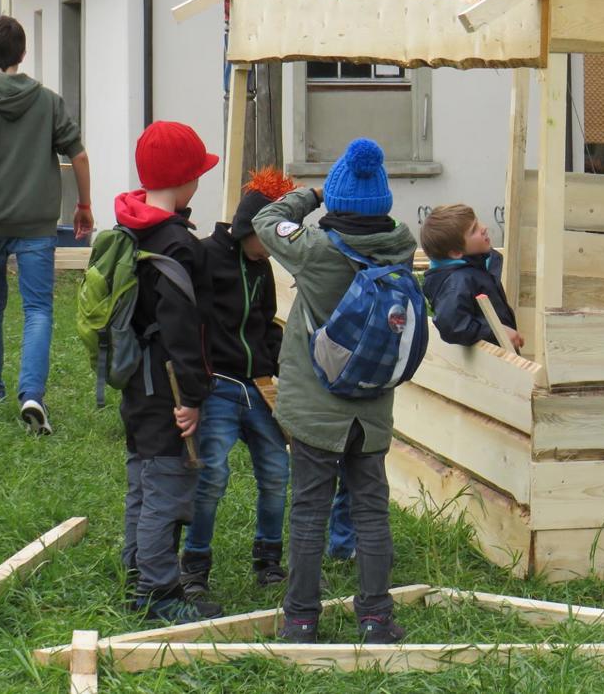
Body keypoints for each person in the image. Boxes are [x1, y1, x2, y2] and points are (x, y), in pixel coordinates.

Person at [253, 138, 417, 645]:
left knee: (309, 512)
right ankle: (376, 618)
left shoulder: (315, 251)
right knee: (371, 511)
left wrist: (315, 193)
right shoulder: (401, 246)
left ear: (340, 197)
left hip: (315, 409)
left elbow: (265, 219)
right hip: (371, 410)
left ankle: (301, 619)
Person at [0, 16, 93, 430]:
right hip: (37, 224)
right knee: (38, 310)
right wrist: (83, 204)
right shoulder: (47, 101)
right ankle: (31, 395)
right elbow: (78, 154)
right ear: (23, 53)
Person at [115, 120, 223, 624]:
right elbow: (185, 330)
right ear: (186, 180)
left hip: (135, 378)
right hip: (168, 386)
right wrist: (193, 397)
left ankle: (136, 572)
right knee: (167, 487)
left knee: (143, 478)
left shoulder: (131, 226)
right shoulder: (177, 244)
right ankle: (157, 593)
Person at [180, 168, 292, 599]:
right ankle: (195, 565)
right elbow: (189, 322)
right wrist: (197, 379)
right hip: (219, 386)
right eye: (271, 238)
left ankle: (269, 561)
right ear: (250, 228)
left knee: (276, 471)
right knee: (212, 474)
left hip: (259, 385)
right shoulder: (205, 257)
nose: (275, 249)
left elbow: (265, 322)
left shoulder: (262, 269)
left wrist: (280, 363)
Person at [420, 203, 523, 349]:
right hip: (488, 359)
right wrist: (497, 332)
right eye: (474, 230)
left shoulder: (476, 266)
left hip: (500, 353)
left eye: (477, 222)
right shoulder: (457, 282)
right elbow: (454, 325)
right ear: (456, 252)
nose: (483, 228)